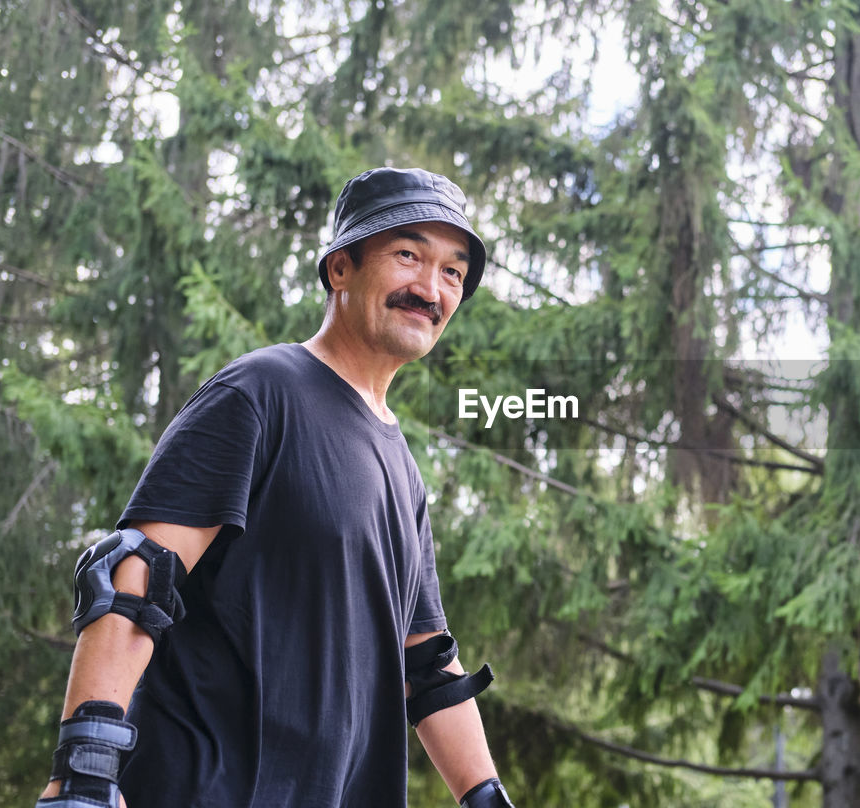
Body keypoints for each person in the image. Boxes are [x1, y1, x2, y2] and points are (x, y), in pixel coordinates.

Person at [35, 168, 515, 808]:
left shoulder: (401, 464)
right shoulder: (260, 392)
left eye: (452, 272)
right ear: (340, 268)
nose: (429, 289)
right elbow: (137, 574)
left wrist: (486, 797)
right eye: (408, 255)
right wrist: (86, 775)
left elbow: (425, 663)